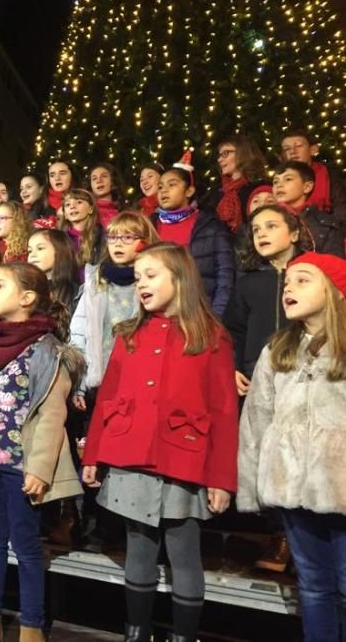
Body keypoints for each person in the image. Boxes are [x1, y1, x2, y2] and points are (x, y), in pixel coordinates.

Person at [82, 242, 238, 642]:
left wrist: (222, 478)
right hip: (132, 456)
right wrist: (95, 453)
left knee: (184, 550)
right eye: (137, 279)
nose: (141, 285)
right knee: (138, 547)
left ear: (180, 278)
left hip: (183, 458)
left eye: (151, 276)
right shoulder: (129, 334)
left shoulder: (211, 336)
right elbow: (110, 397)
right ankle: (137, 631)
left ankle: (184, 635)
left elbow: (223, 410)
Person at [0, 262, 84, 642]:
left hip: (21, 467)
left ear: (27, 298)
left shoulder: (47, 352)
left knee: (26, 547)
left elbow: (51, 415)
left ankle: (31, 624)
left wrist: (40, 469)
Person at [237, 252, 346, 642]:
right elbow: (257, 419)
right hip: (294, 492)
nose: (289, 288)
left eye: (303, 280)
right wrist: (253, 484)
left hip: (341, 489)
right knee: (314, 587)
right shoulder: (278, 351)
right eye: (287, 283)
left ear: (335, 291)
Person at [70, 212, 160, 408]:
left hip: (140, 380)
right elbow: (80, 331)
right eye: (112, 237)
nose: (118, 244)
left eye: (128, 237)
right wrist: (79, 384)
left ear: (145, 241)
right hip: (101, 379)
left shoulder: (153, 283)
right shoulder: (96, 282)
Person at [225, 205, 312, 398]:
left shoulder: (312, 277)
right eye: (256, 230)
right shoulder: (247, 283)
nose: (262, 234)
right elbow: (233, 331)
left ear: (294, 234)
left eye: (271, 226)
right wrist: (234, 367)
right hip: (256, 376)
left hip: (305, 374)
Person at [153, 167, 236, 317]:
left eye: (172, 184)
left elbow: (225, 275)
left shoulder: (210, 225)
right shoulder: (150, 226)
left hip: (199, 314)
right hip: (159, 316)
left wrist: (216, 316)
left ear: (189, 191)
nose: (164, 190)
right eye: (160, 187)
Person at [271, 160, 344, 255]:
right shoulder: (263, 219)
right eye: (275, 182)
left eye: (288, 179)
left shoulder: (326, 224)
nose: (279, 185)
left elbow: (336, 263)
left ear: (307, 187)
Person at [280, 127, 346, 231]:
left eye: (299, 146)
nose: (293, 151)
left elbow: (341, 209)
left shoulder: (328, 175)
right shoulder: (278, 179)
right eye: (287, 149)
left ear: (313, 150)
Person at [202, 134, 267, 234]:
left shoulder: (260, 187)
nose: (219, 160)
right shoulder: (216, 192)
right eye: (220, 155)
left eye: (225, 153)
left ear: (243, 153)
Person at [27, 229, 81, 317]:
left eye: (40, 248)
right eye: (30, 251)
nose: (32, 255)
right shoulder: (27, 289)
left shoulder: (75, 293)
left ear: (59, 251)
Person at [59, 189, 104, 273]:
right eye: (68, 205)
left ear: (90, 209)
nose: (72, 206)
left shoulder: (102, 235)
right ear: (65, 215)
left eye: (79, 202)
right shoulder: (61, 239)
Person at [88, 162, 125, 227]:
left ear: (112, 181)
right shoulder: (86, 212)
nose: (99, 181)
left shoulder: (125, 212)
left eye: (104, 176)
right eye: (94, 178)